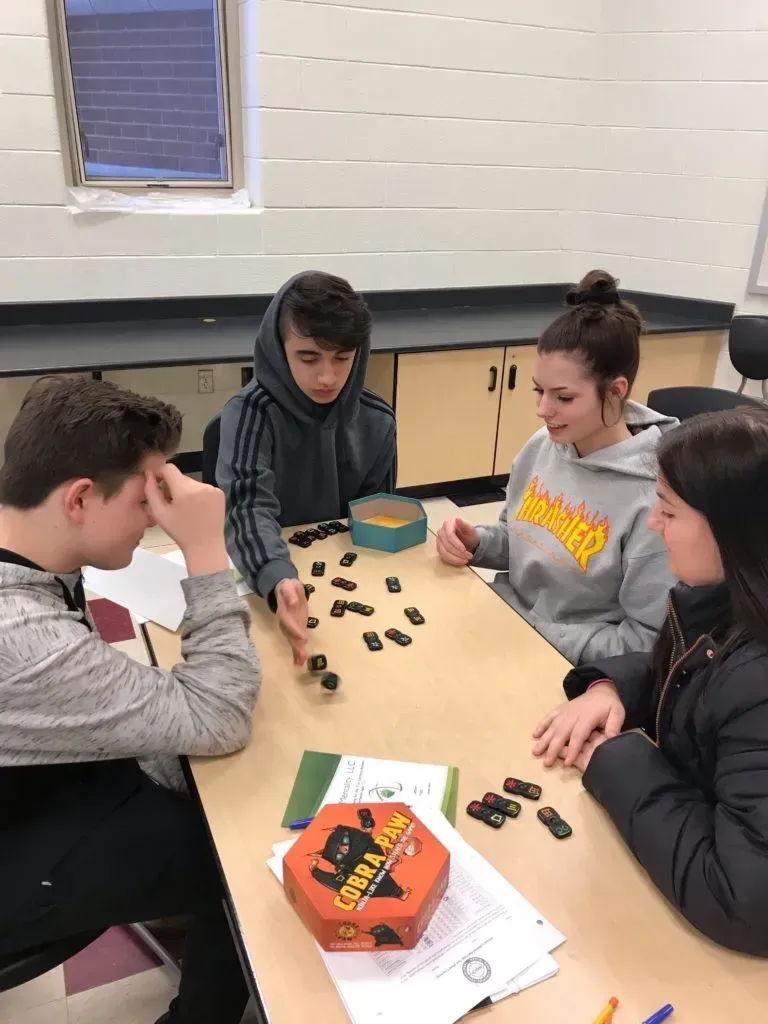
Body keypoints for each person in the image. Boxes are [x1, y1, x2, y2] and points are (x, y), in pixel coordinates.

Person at [0, 376, 261, 1024]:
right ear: (80, 498)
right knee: (242, 847)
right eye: (145, 502)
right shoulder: (24, 639)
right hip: (17, 851)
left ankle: (175, 904)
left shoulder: (29, 551)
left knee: (194, 777)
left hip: (36, 784)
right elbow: (219, 715)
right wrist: (205, 549)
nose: (154, 521)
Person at [532, 406, 768, 955]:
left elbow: (743, 903)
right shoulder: (720, 596)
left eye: (667, 510)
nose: (654, 525)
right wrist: (610, 687)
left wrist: (618, 760)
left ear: (733, 530)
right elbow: (692, 670)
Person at [437, 270, 676, 664]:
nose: (542, 410)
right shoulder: (543, 445)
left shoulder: (658, 497)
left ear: (615, 391)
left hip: (566, 661)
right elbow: (523, 539)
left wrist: (537, 633)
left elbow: (645, 641)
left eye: (563, 397)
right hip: (505, 623)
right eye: (539, 390)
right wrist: (477, 542)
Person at [218, 270, 396, 666]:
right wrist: (277, 577)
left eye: (342, 358)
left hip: (345, 586)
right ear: (280, 349)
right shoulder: (250, 415)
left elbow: (374, 519)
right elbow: (247, 506)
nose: (327, 376)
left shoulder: (378, 420)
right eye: (308, 357)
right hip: (270, 574)